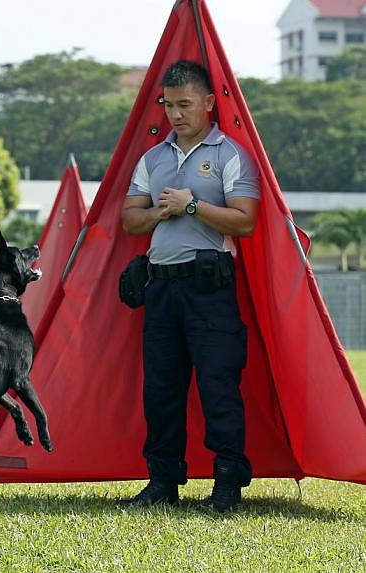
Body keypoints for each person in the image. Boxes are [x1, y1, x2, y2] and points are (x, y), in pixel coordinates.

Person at [119, 60, 260, 512]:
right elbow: (129, 218)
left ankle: (227, 482)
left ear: (208, 102)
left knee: (218, 386)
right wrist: (162, 213)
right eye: (168, 105)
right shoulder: (152, 157)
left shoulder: (230, 154)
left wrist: (193, 206)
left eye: (184, 104)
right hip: (161, 289)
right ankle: (162, 481)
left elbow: (246, 220)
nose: (175, 114)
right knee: (160, 389)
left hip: (209, 290)